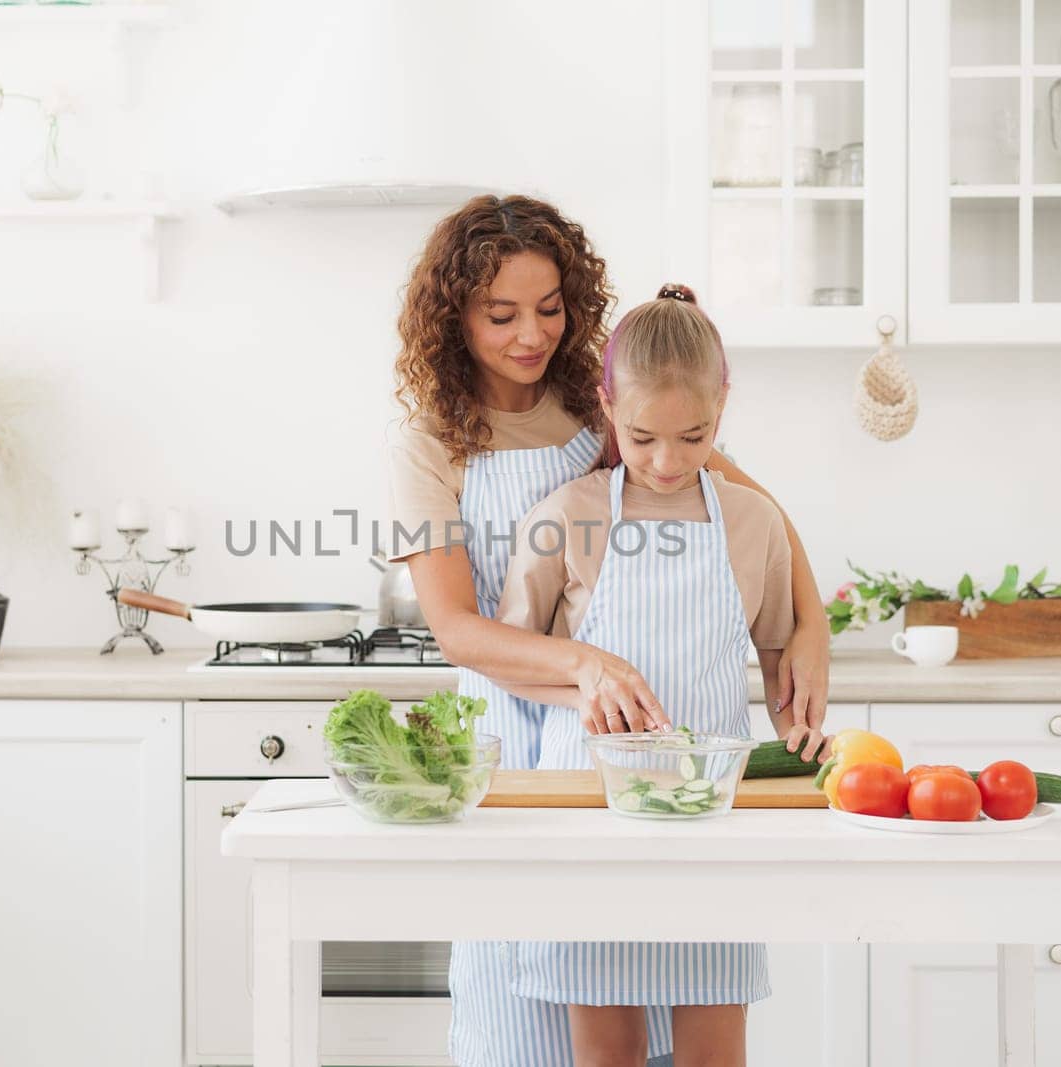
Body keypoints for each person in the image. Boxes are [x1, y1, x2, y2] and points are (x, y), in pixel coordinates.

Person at [386, 196, 830, 1067]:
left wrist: (810, 626)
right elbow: (458, 631)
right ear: (453, 316)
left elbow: (754, 513)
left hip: (651, 762)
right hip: (527, 752)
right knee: (528, 1025)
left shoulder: (616, 408)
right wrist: (588, 664)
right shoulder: (431, 442)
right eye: (500, 313)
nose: (530, 334)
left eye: (550, 308)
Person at [495, 284, 787, 1066]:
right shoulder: (569, 513)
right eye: (641, 436)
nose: (665, 461)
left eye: (693, 437)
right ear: (607, 405)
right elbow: (512, 660)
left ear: (723, 407)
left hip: (711, 818)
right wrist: (582, 689)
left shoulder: (755, 522)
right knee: (606, 1054)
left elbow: (781, 653)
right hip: (591, 814)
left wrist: (801, 730)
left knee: (713, 1050)